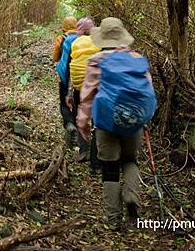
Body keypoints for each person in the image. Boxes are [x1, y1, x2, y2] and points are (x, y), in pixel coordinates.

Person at [77, 17, 156, 228]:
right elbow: (147, 91)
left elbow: (86, 98)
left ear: (101, 37)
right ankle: (131, 196)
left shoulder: (96, 61)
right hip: (134, 121)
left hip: (105, 122)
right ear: (122, 36)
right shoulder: (136, 59)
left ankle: (113, 220)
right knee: (130, 160)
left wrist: (83, 124)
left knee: (110, 168)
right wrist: (144, 118)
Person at [68, 17, 101, 166]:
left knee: (81, 118)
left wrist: (68, 92)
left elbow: (71, 66)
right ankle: (97, 155)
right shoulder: (99, 42)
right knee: (97, 120)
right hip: (96, 87)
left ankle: (83, 152)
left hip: (79, 88)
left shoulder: (75, 43)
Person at [53, 16, 78, 145]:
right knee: (76, 101)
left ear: (64, 26)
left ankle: (69, 123)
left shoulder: (61, 39)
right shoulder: (82, 38)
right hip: (79, 75)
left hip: (65, 75)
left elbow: (56, 57)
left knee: (64, 102)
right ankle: (77, 127)